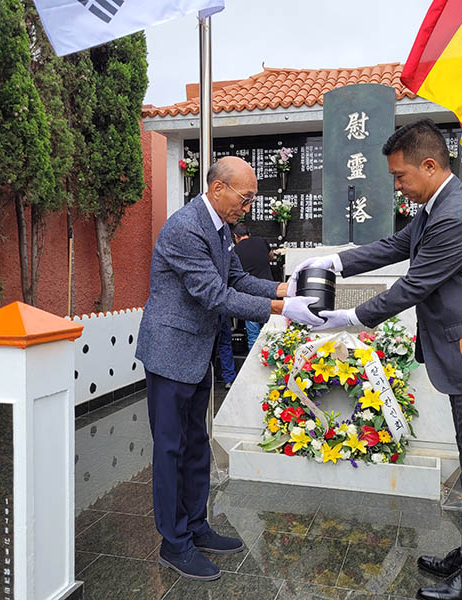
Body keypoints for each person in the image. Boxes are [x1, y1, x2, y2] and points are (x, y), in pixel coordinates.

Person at [290, 119, 462, 600]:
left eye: (400, 177)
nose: (396, 186)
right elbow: (396, 246)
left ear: (430, 166)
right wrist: (337, 261)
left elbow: (414, 286)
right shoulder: (439, 205)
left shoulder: (454, 216)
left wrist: (346, 318)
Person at [135, 156, 323, 582]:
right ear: (218, 188)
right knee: (170, 448)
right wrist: (282, 310)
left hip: (195, 351)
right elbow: (213, 294)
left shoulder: (220, 231)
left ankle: (197, 527)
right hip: (169, 351)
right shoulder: (186, 228)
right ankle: (174, 542)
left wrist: (286, 287)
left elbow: (237, 279)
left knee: (198, 442)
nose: (248, 206)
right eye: (246, 196)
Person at [232, 222, 275, 350]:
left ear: (235, 236)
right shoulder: (261, 241)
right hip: (268, 289)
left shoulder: (235, 250)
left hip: (250, 294)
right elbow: (271, 256)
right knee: (271, 332)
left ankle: (254, 365)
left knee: (253, 335)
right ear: (249, 234)